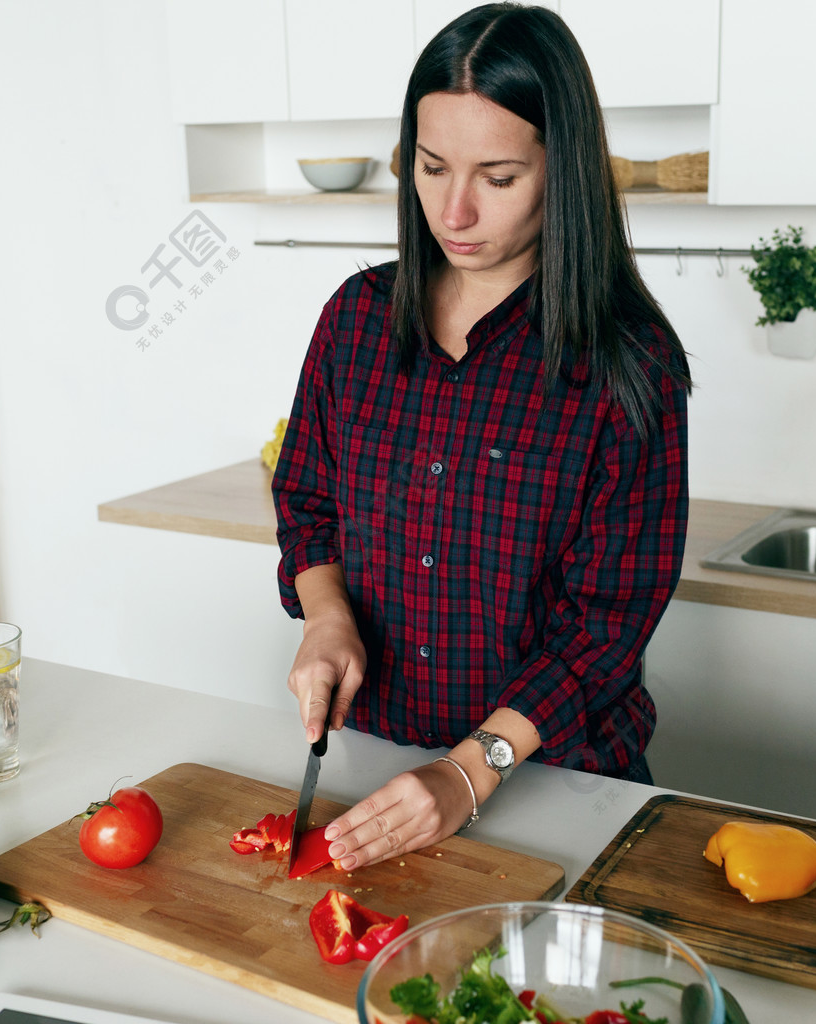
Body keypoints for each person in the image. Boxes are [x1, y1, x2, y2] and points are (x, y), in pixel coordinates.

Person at [271, 2, 690, 872]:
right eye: (430, 168)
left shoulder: (627, 363)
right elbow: (307, 499)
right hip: (383, 771)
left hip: (563, 786)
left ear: (561, 170)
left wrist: (470, 772)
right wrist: (327, 618)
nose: (453, 210)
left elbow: (606, 624)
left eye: (497, 178)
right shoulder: (356, 321)